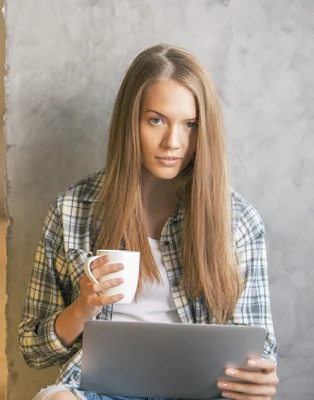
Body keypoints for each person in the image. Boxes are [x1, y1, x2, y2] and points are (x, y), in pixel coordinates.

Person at [18, 44, 279, 400]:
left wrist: (259, 377)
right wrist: (83, 308)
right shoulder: (73, 209)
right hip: (101, 392)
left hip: (200, 392)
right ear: (131, 121)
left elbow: (259, 350)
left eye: (190, 125)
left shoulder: (238, 220)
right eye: (156, 120)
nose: (173, 142)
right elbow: (34, 350)